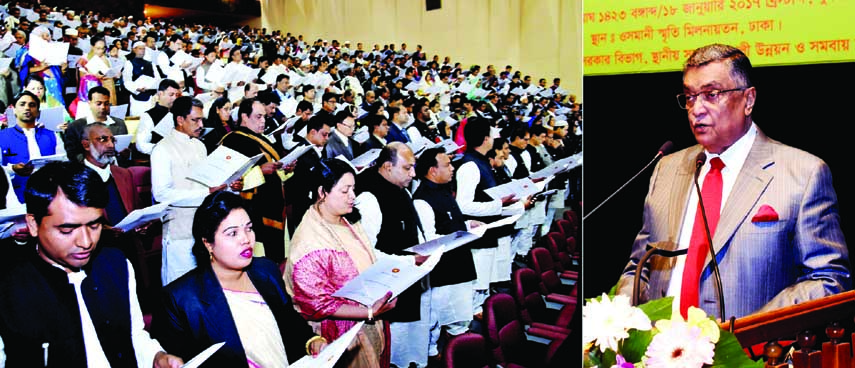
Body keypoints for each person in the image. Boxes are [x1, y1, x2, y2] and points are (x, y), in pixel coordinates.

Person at [615, 43, 851, 320]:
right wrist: (619, 324)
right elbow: (638, 267)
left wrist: (751, 330)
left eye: (711, 94)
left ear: (748, 100)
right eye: (689, 97)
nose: (696, 109)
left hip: (748, 355)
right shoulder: (666, 169)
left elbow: (828, 280)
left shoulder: (802, 173)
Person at [0, 161, 184, 367]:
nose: (86, 242)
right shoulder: (9, 285)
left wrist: (156, 357)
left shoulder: (116, 263)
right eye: (67, 230)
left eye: (94, 225)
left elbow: (133, 334)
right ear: (33, 224)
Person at [153, 191, 325, 366]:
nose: (246, 239)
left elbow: (290, 322)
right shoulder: (181, 299)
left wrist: (312, 341)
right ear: (208, 243)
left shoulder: (266, 271)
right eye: (232, 233)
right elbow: (175, 359)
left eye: (248, 228)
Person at [285, 158, 397, 368]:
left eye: (353, 189)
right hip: (339, 331)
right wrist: (369, 312)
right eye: (345, 191)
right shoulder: (309, 242)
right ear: (322, 192)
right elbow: (315, 304)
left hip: (367, 314)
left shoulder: (345, 219)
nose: (352, 197)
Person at [354, 142, 431, 368]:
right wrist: (408, 260)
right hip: (386, 284)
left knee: (410, 341)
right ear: (387, 167)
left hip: (408, 275)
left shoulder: (401, 188)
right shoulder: (369, 196)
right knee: (392, 346)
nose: (414, 174)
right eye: (407, 168)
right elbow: (364, 251)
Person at [151, 96, 235, 285]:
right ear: (180, 120)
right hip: (179, 231)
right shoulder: (162, 149)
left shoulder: (200, 145)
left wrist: (228, 185)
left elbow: (207, 183)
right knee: (179, 288)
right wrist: (205, 193)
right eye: (195, 120)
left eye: (202, 119)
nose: (201, 124)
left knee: (205, 286)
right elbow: (162, 194)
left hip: (204, 228)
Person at [412, 147, 478, 360]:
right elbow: (430, 238)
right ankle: (433, 353)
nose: (452, 169)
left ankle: (456, 342)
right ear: (432, 170)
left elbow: (450, 221)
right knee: (436, 316)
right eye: (447, 165)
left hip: (458, 260)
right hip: (443, 269)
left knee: (457, 311)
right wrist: (459, 234)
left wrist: (468, 225)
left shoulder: (443, 190)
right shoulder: (422, 199)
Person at [220, 98, 289, 262]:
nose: (263, 121)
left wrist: (286, 169)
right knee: (261, 260)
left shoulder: (263, 138)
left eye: (264, 117)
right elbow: (229, 179)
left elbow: (275, 169)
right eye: (258, 117)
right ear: (244, 116)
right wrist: (261, 171)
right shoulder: (233, 140)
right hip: (252, 209)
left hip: (273, 204)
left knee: (277, 259)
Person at [0, 91, 63, 203]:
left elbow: (64, 163)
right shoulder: (2, 137)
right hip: (15, 198)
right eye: (22, 104)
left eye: (32, 105)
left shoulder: (52, 136)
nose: (27, 108)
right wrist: (12, 169)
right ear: (14, 109)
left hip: (50, 195)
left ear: (38, 112)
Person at [63, 86, 129, 164]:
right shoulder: (76, 126)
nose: (103, 107)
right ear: (89, 103)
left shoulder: (119, 124)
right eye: (99, 104)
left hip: (115, 168)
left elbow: (125, 151)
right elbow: (72, 154)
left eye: (106, 104)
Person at [136, 79, 181, 155]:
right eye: (171, 95)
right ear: (160, 94)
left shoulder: (180, 112)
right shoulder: (149, 115)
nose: (175, 98)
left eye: (177, 95)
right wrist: (162, 150)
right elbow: (141, 144)